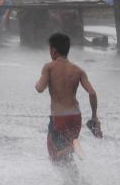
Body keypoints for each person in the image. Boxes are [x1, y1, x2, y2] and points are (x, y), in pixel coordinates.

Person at [35, 33, 99, 163]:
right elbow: (92, 93)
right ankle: (73, 182)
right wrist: (94, 117)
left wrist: (39, 83)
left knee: (54, 155)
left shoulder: (49, 67)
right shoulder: (78, 70)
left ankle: (72, 148)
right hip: (75, 117)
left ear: (53, 51)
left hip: (59, 118)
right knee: (66, 160)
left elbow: (40, 88)